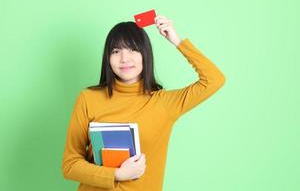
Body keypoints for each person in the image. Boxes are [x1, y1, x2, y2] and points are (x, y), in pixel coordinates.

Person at [61, 14, 226, 191]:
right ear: (108, 58)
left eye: (132, 49)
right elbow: (70, 165)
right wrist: (117, 175)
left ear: (145, 55)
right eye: (116, 51)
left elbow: (214, 80)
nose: (124, 58)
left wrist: (177, 41)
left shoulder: (164, 103)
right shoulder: (88, 98)